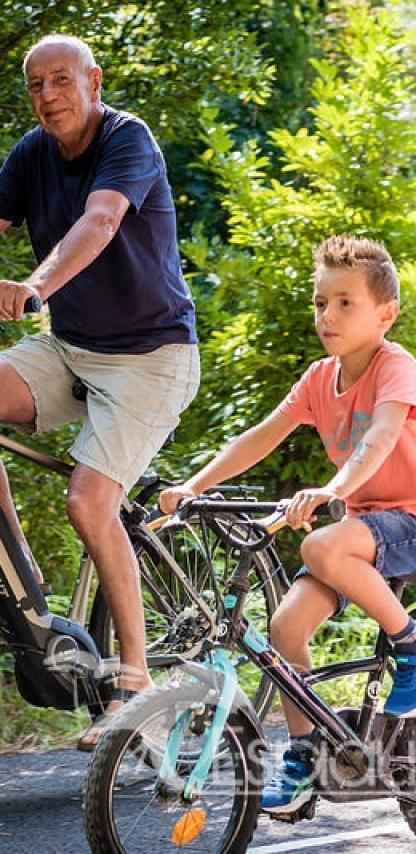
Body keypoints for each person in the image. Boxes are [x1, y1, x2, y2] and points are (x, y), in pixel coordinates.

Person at [159, 234, 416, 814]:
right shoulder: (321, 379)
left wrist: (331, 490)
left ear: (386, 313)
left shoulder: (396, 368)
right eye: (322, 302)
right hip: (364, 525)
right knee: (285, 626)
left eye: (346, 302)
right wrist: (194, 487)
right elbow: (261, 436)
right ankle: (305, 757)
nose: (329, 314)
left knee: (323, 545)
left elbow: (378, 440)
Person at [0, 34, 200, 748]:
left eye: (60, 81)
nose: (48, 96)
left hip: (152, 356)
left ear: (93, 80)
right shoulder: (30, 154)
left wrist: (34, 286)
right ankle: (24, 594)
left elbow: (101, 221)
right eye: (35, 86)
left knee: (88, 499)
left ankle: (135, 681)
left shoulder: (128, 140)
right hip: (74, 347)